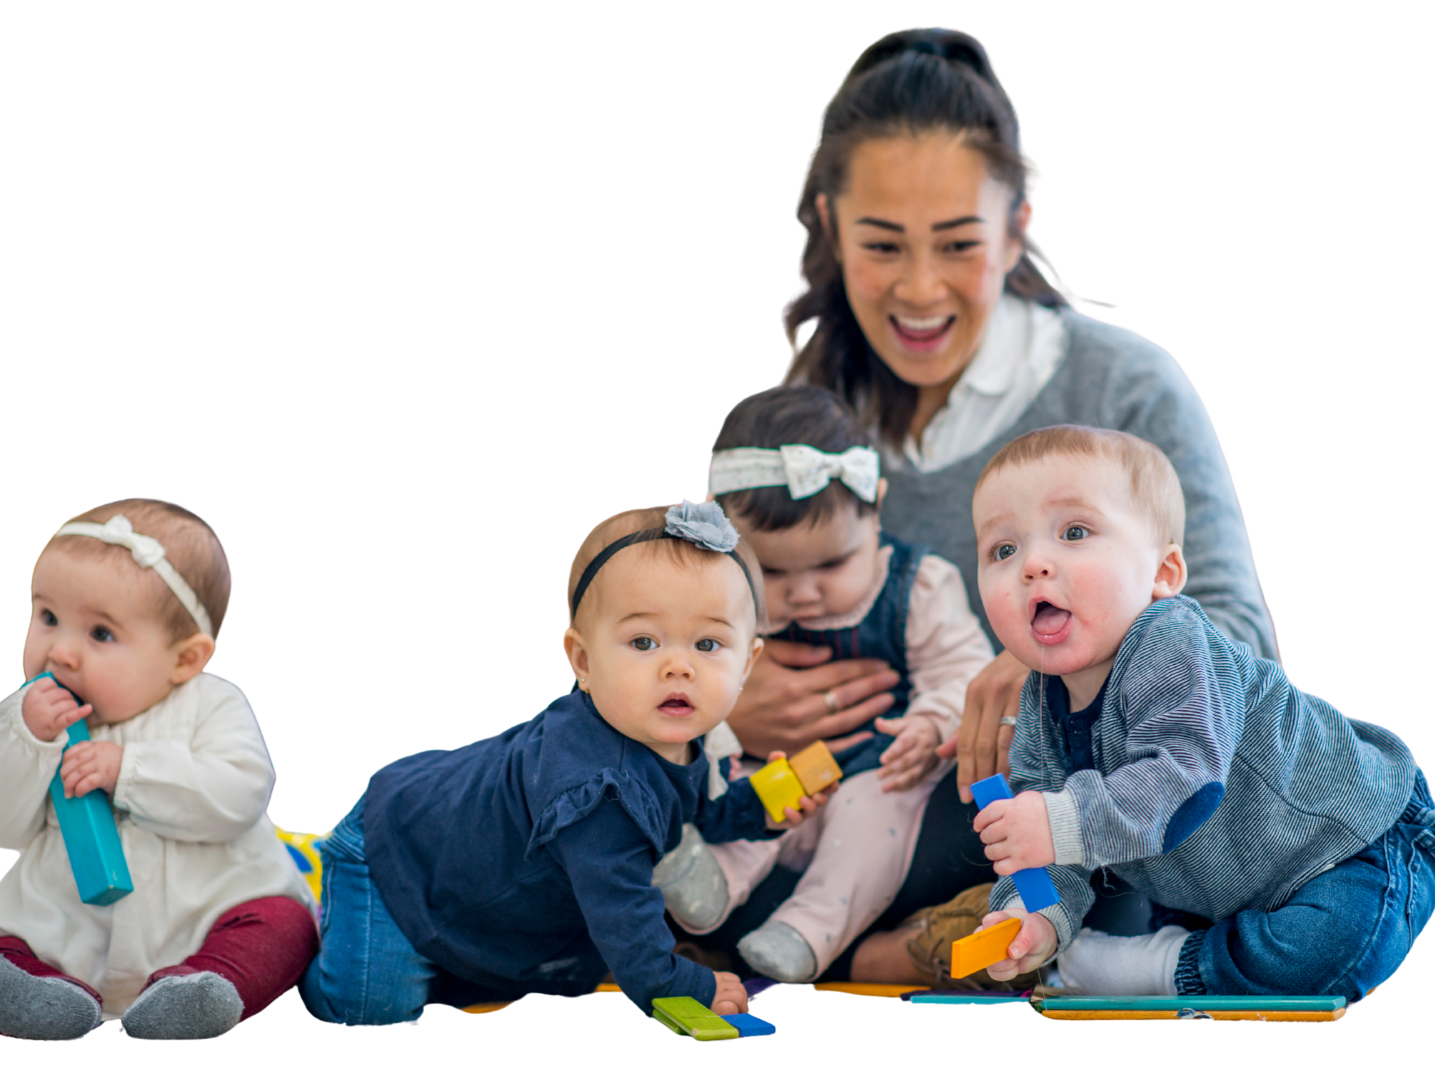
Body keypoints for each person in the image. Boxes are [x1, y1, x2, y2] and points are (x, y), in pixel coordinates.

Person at [716, 26, 1281, 985]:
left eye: (959, 244)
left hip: (1037, 797)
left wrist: (1042, 669)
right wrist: (737, 687)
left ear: (1021, 220)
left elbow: (1243, 654)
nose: (921, 290)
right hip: (835, 793)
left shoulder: (1132, 390)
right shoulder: (819, 394)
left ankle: (892, 944)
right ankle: (886, 947)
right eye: (882, 246)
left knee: (1052, 838)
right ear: (827, 221)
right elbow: (731, 578)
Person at [966, 425, 1435, 998]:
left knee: (1331, 951)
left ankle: (1158, 970)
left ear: (1163, 574)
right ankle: (1179, 960)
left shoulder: (1171, 641)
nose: (1033, 564)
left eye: (1074, 531)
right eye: (1003, 549)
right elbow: (1054, 849)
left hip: (1351, 842)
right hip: (1212, 890)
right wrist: (1032, 919)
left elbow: (1184, 779)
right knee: (1242, 945)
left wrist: (1054, 821)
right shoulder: (1039, 701)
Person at [300, 501, 837, 1024]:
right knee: (369, 1008)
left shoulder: (679, 737)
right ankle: (301, 919)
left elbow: (696, 811)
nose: (679, 667)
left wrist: (761, 810)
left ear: (748, 662)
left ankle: (430, 949)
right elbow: (623, 918)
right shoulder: (597, 789)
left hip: (463, 858)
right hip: (397, 853)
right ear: (582, 660)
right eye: (644, 641)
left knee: (489, 980)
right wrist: (681, 986)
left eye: (708, 643)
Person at [651, 385, 994, 984]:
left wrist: (932, 723)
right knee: (738, 797)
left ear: (876, 510)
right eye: (774, 571)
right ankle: (707, 890)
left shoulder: (916, 585)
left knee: (870, 823)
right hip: (772, 769)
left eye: (833, 565)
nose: (805, 592)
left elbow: (964, 672)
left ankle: (807, 932)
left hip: (878, 772)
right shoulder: (713, 597)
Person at [0, 498, 320, 1041]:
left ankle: (203, 986)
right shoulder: (23, 722)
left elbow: (238, 797)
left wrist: (131, 771)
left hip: (208, 913)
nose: (61, 652)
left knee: (287, 924)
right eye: (49, 617)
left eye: (100, 634)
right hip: (65, 929)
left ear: (185, 660)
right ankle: (36, 991)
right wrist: (27, 742)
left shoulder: (211, 706)